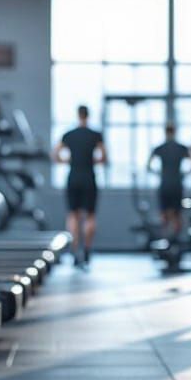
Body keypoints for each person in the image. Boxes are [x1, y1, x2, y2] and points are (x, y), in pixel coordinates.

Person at [53, 104, 107, 267]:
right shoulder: (95, 135)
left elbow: (55, 154)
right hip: (89, 177)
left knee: (73, 215)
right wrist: (92, 160)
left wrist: (68, 160)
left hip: (73, 176)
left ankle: (75, 251)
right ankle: (87, 250)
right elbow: (104, 157)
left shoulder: (69, 135)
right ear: (88, 116)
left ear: (78, 115)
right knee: (90, 216)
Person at [148, 123, 191, 239]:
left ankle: (166, 240)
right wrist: (184, 174)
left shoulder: (160, 148)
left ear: (165, 131)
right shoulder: (182, 148)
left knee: (164, 214)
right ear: (175, 131)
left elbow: (148, 166)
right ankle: (175, 240)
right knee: (177, 214)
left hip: (165, 184)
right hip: (177, 184)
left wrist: (159, 173)